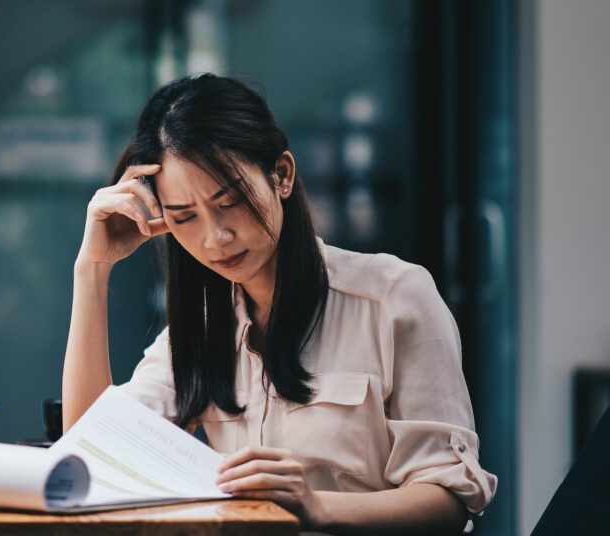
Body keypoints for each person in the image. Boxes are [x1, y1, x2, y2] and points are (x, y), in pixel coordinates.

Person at [62, 73, 496, 535]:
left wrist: (313, 505)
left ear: (282, 175)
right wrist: (92, 269)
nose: (215, 237)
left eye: (229, 201)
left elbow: (449, 500)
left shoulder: (394, 298)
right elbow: (91, 454)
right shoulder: (205, 327)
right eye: (184, 217)